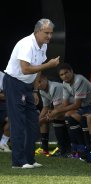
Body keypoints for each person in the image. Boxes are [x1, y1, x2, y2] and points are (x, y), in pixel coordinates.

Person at [3, 18, 60, 168]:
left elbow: (39, 68)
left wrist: (35, 90)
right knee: (18, 123)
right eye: (46, 33)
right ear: (37, 31)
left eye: (51, 33)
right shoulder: (27, 44)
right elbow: (25, 69)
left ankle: (29, 159)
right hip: (14, 83)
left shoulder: (43, 46)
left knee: (32, 122)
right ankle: (18, 162)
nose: (49, 36)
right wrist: (50, 64)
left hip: (27, 86)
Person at [0, 71, 11, 152]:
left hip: (4, 105)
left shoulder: (3, 76)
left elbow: (8, 95)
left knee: (13, 119)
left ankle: (3, 143)